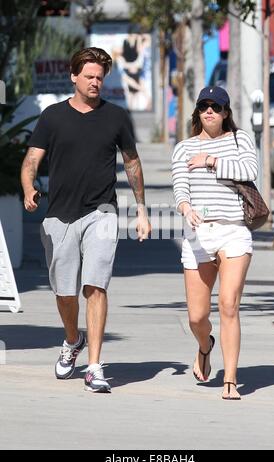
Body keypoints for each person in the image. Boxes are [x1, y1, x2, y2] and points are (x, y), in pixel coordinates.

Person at [21, 47, 151, 393]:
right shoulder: (52, 117)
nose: (95, 83)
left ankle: (95, 366)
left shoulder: (116, 117)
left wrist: (141, 210)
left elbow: (132, 163)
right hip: (60, 215)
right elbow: (32, 160)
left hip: (102, 212)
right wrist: (28, 188)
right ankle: (72, 339)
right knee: (65, 292)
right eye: (89, 76)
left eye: (100, 78)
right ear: (73, 76)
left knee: (95, 285)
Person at [172, 86, 258, 400]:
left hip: (234, 231)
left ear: (225, 113)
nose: (210, 111)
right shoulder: (183, 148)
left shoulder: (240, 139)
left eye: (216, 107)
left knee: (228, 305)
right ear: (197, 112)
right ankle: (204, 345)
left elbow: (250, 171)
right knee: (196, 316)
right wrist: (185, 207)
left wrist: (210, 160)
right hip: (198, 233)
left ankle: (230, 380)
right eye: (204, 106)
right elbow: (180, 187)